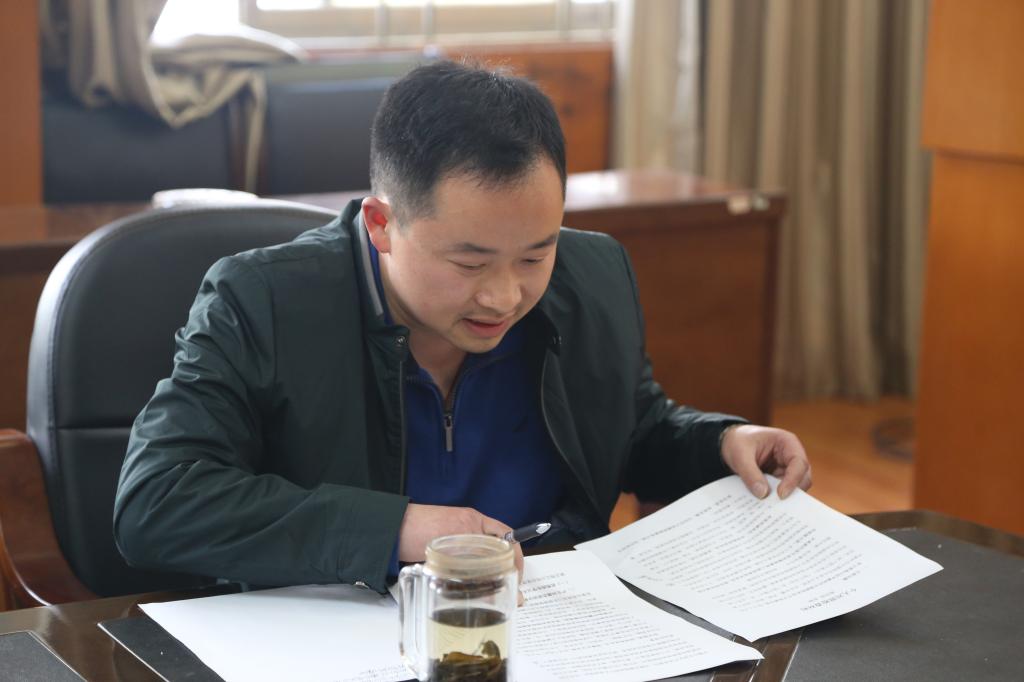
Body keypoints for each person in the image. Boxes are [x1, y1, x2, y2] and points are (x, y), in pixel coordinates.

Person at [113, 60, 811, 594]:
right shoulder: (263, 300)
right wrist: (400, 528)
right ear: (381, 225)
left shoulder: (594, 275)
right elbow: (157, 500)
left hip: (552, 618)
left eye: (535, 255)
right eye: (469, 262)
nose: (505, 296)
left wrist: (719, 442)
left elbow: (631, 430)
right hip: (352, 632)